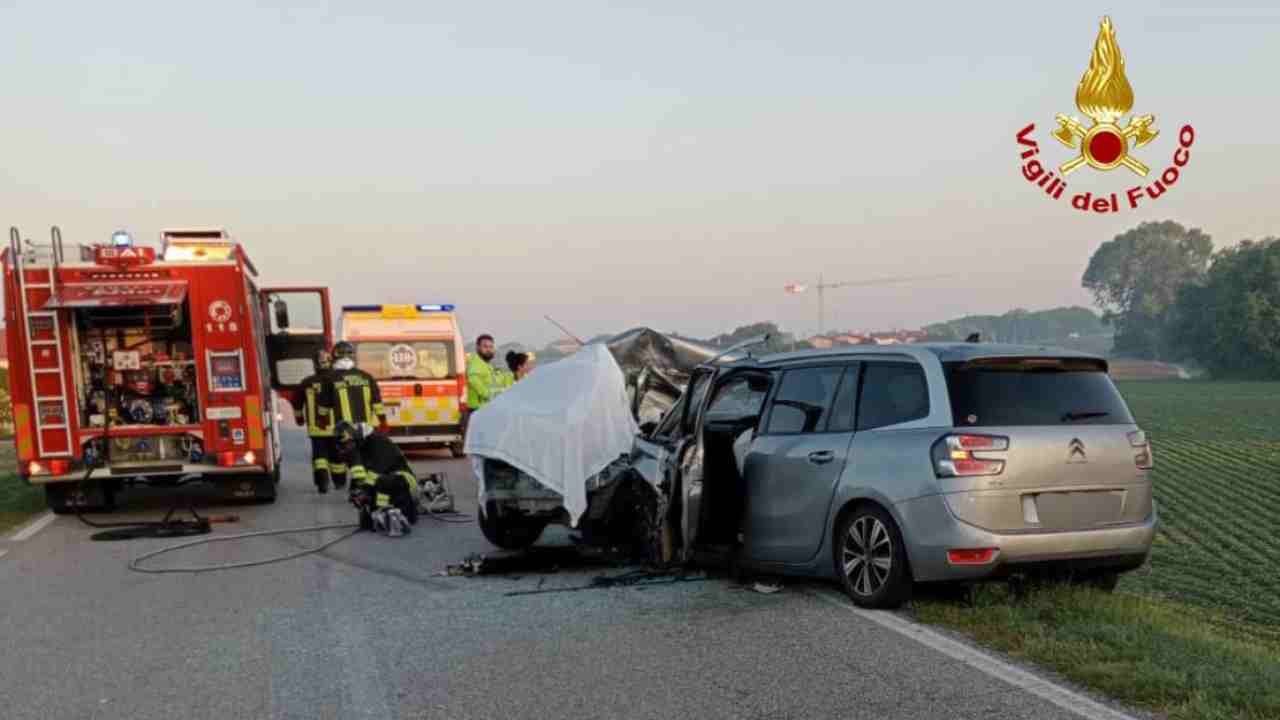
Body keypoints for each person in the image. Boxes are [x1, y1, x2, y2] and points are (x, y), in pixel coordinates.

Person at [335, 421, 421, 535]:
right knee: (377, 489)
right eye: (344, 445)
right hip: (385, 482)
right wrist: (356, 492)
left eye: (348, 443)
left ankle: (403, 514)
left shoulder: (379, 442)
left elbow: (377, 471)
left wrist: (364, 491)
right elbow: (363, 475)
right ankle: (381, 515)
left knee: (383, 482)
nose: (347, 448)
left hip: (405, 481)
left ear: (356, 437)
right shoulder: (362, 447)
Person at [328, 341, 387, 488]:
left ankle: (354, 483)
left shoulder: (330, 379)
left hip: (344, 428)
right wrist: (383, 421)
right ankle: (360, 485)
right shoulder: (367, 377)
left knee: (351, 457)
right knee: (362, 456)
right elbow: (377, 403)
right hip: (365, 427)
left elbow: (323, 405)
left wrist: (321, 420)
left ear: (334, 357)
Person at [295, 347, 337, 493]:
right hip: (337, 427)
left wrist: (299, 419)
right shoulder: (338, 380)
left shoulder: (307, 382)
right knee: (336, 457)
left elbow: (297, 403)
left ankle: (322, 482)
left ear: (315, 364)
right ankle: (339, 481)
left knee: (319, 457)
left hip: (316, 427)